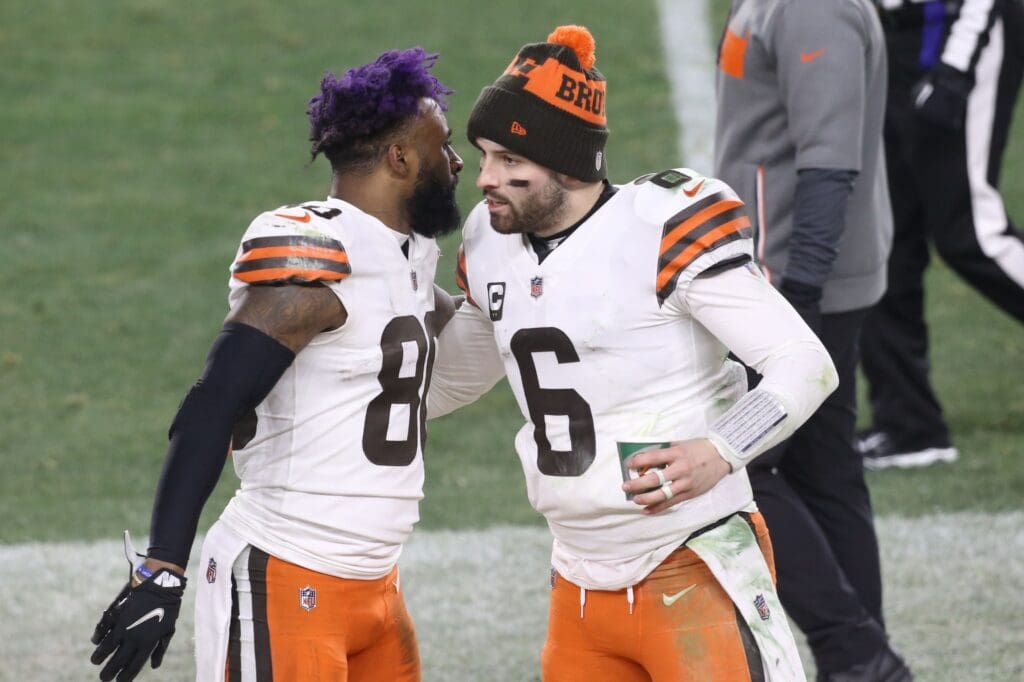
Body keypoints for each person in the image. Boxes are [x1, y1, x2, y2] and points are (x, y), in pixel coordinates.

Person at [429, 25, 839, 681]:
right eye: (483, 156)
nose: (486, 179)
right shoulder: (489, 243)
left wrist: (721, 450)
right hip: (579, 580)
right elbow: (452, 380)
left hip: (693, 557)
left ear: (565, 162)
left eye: (509, 161)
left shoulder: (661, 225)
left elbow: (805, 364)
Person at [88, 48, 463, 682]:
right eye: (444, 147)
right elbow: (214, 402)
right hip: (285, 572)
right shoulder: (319, 250)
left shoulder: (410, 256)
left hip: (374, 581)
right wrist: (162, 569)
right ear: (400, 158)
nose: (456, 165)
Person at [714, 1, 913, 680]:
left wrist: (795, 299)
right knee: (825, 468)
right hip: (794, 278)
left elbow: (829, 164)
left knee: (740, 469)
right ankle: (864, 658)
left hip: (793, 283)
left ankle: (855, 651)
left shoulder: (810, 8)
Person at [859, 0, 1024, 469]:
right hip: (890, 35)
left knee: (974, 234)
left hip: (960, 29)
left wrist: (955, 68)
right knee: (881, 232)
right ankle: (910, 425)